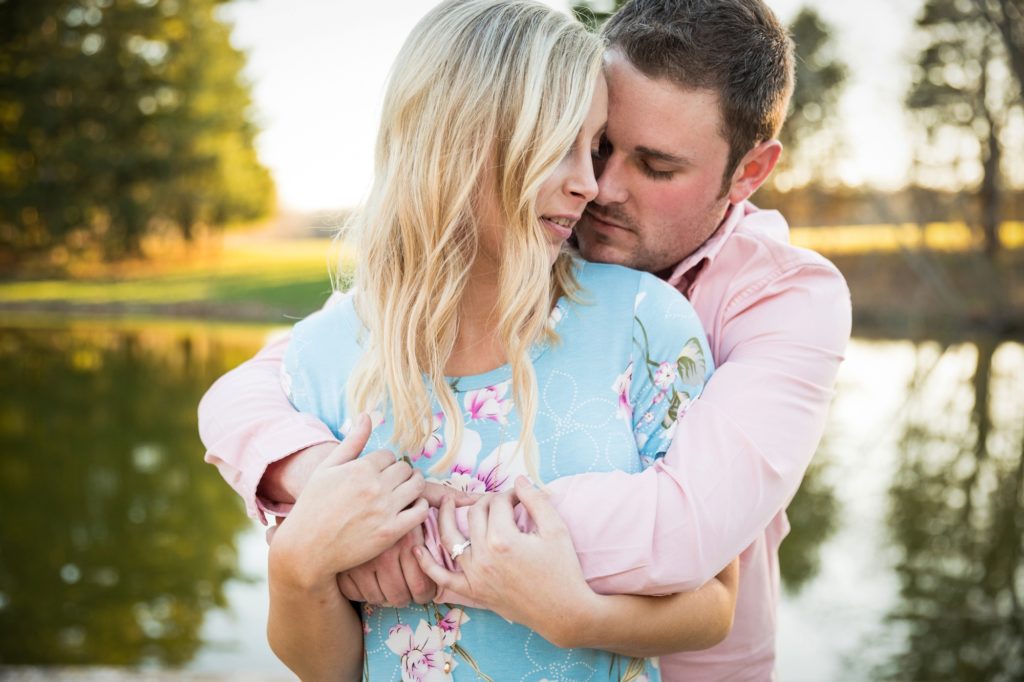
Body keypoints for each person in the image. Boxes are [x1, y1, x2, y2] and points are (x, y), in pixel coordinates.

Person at [200, 0, 852, 678]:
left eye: (656, 167)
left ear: (748, 173)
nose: (599, 186)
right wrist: (311, 512)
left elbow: (687, 532)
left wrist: (397, 531)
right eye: (597, 145)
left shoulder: (758, 305)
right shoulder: (352, 341)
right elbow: (251, 391)